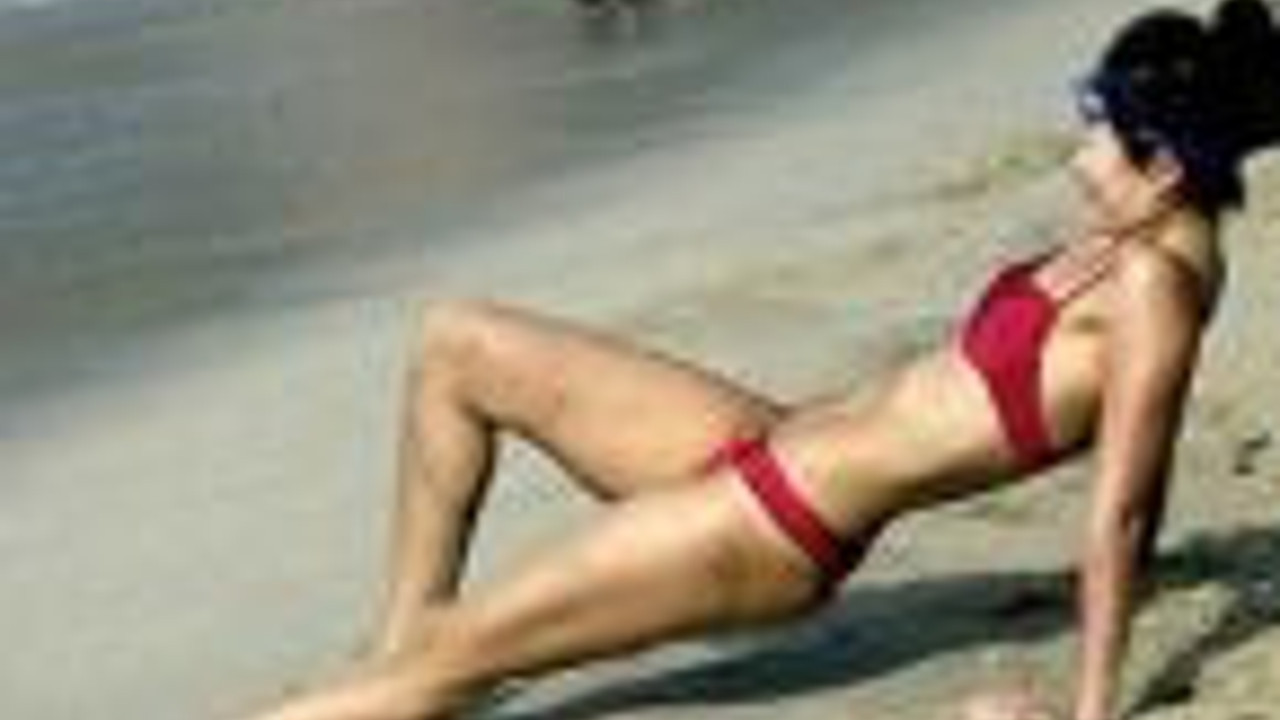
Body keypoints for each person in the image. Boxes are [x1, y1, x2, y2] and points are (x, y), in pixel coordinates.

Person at [245, 2, 1280, 719]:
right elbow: (1116, 440)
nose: (1075, 157)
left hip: (773, 527)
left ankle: (410, 679)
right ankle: (403, 655)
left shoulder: (1155, 293)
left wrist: (1090, 708)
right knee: (457, 343)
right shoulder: (1141, 242)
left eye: (1097, 134)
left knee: (447, 662)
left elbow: (1121, 509)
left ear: (1163, 167)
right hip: (761, 439)